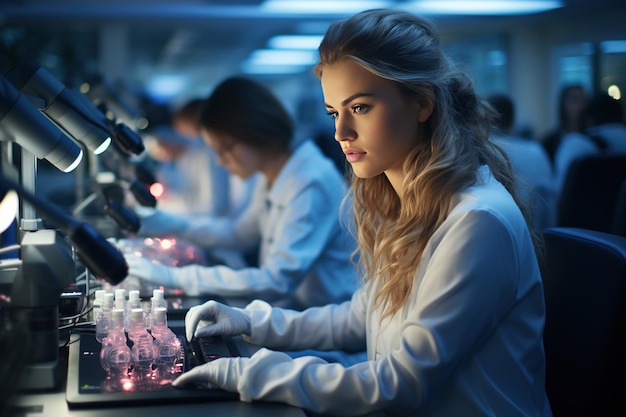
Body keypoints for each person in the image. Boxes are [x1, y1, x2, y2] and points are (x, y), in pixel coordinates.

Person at [172, 9, 552, 417]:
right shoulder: (406, 200)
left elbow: (402, 382)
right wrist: (251, 322)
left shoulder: (477, 221)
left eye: (361, 108)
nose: (340, 133)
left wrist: (256, 373)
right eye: (335, 112)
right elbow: (359, 317)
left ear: (422, 103)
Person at [123, 76, 358, 310]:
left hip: (327, 324)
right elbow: (241, 234)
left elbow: (278, 280)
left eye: (225, 148)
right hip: (297, 313)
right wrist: (167, 223)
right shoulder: (273, 172)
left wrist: (177, 277)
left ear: (256, 131)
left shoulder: (309, 181)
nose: (220, 161)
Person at [486, 93, 557, 228]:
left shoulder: (481, 153)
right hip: (539, 235)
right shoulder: (536, 151)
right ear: (512, 120)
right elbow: (550, 202)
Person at [541, 84, 588, 168]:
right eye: (574, 100)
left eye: (584, 100)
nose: (581, 105)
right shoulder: (549, 143)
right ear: (563, 104)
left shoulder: (595, 141)